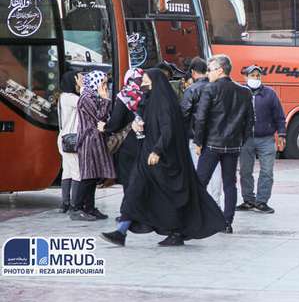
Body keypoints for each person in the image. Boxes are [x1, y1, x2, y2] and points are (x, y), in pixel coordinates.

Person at [100, 69, 226, 247]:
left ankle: (176, 232)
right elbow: (147, 126)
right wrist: (139, 129)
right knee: (135, 190)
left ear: (154, 81)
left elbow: (168, 131)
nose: (142, 81)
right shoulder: (148, 100)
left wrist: (157, 151)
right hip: (146, 156)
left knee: (168, 197)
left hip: (164, 159)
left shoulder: (165, 103)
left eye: (145, 79)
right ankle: (121, 231)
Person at [194, 55, 254, 234]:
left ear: (220, 70)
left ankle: (198, 218)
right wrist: (241, 140)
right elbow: (250, 121)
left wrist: (198, 141)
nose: (207, 73)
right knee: (230, 184)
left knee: (200, 183)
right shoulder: (244, 91)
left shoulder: (210, 89)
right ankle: (227, 222)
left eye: (210, 70)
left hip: (212, 144)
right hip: (233, 146)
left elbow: (201, 119)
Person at [236, 66, 286, 214]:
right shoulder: (240, 93)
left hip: (266, 139)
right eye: (253, 75)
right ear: (245, 77)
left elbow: (279, 116)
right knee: (245, 171)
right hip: (245, 139)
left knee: (267, 171)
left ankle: (262, 201)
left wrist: (281, 135)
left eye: (258, 76)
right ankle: (248, 200)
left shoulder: (270, 94)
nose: (256, 78)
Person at [74, 70, 115, 221]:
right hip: (88, 140)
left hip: (96, 140)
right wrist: (105, 100)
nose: (105, 86)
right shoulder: (86, 98)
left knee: (94, 175)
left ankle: (89, 208)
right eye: (102, 82)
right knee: (88, 175)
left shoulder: (93, 96)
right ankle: (77, 208)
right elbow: (99, 117)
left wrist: (104, 100)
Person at [98, 68, 144, 192]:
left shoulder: (125, 95)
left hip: (128, 143)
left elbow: (115, 123)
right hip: (146, 142)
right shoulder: (147, 93)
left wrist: (105, 127)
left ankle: (130, 209)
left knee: (129, 180)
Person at [56, 71, 82, 213]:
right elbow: (87, 103)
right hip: (71, 140)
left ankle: (64, 203)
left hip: (63, 138)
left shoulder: (62, 97)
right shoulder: (71, 98)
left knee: (67, 171)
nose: (80, 81)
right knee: (77, 171)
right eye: (78, 79)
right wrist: (83, 87)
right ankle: (74, 205)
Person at [180, 57, 209, 166]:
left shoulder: (192, 89)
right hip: (215, 137)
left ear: (192, 72)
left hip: (195, 137)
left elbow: (184, 113)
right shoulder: (215, 87)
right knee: (215, 170)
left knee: (197, 168)